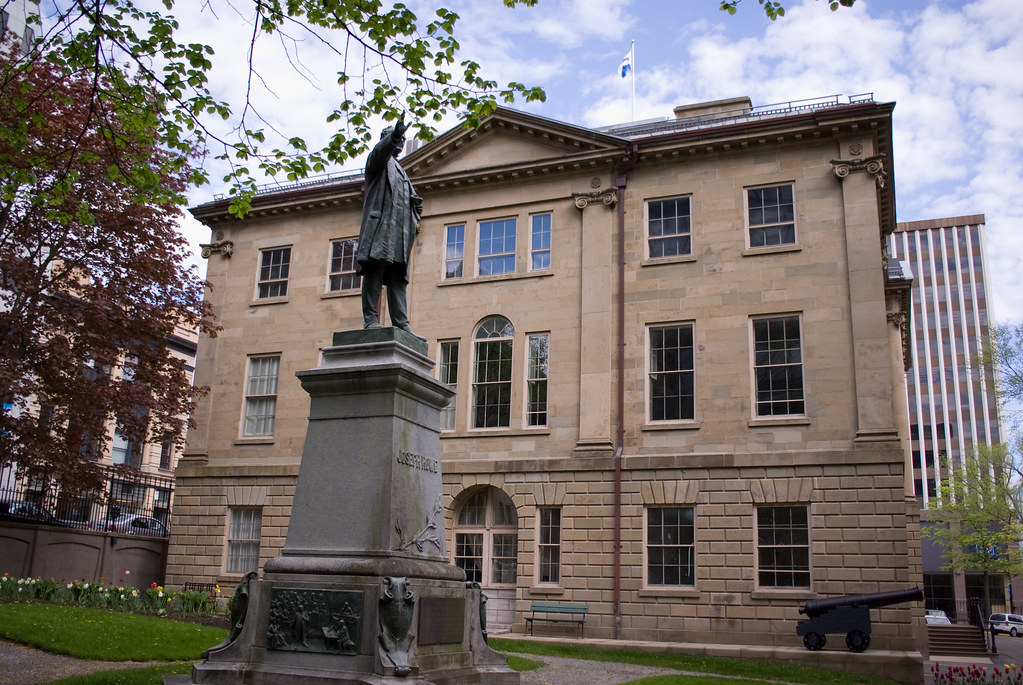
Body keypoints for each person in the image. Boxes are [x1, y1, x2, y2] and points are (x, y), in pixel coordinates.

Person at [356, 114, 424, 340]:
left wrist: (415, 210)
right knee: (375, 270)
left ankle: (401, 323)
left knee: (397, 278)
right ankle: (370, 319)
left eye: (403, 139)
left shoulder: (402, 172)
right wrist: (394, 135)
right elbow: (380, 152)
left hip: (400, 233)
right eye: (397, 138)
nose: (401, 141)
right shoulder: (378, 163)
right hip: (382, 228)